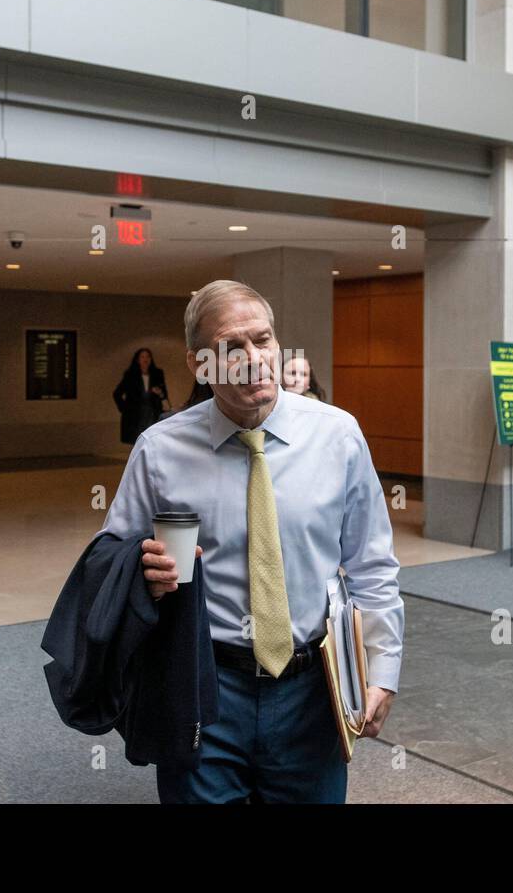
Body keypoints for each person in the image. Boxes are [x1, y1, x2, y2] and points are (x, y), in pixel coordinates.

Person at [97, 280, 403, 803]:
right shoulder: (160, 450)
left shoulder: (337, 435)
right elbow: (108, 566)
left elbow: (371, 565)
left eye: (262, 339)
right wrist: (141, 573)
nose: (254, 358)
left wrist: (383, 670)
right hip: (203, 688)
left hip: (312, 691)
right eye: (231, 348)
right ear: (200, 366)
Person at [112, 347, 168, 445]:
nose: (145, 359)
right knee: (137, 442)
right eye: (142, 357)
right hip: (136, 415)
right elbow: (117, 393)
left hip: (152, 413)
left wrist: (160, 394)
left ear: (151, 359)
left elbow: (164, 394)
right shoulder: (130, 375)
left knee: (152, 440)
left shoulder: (157, 374)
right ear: (138, 360)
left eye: (148, 357)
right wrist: (125, 409)